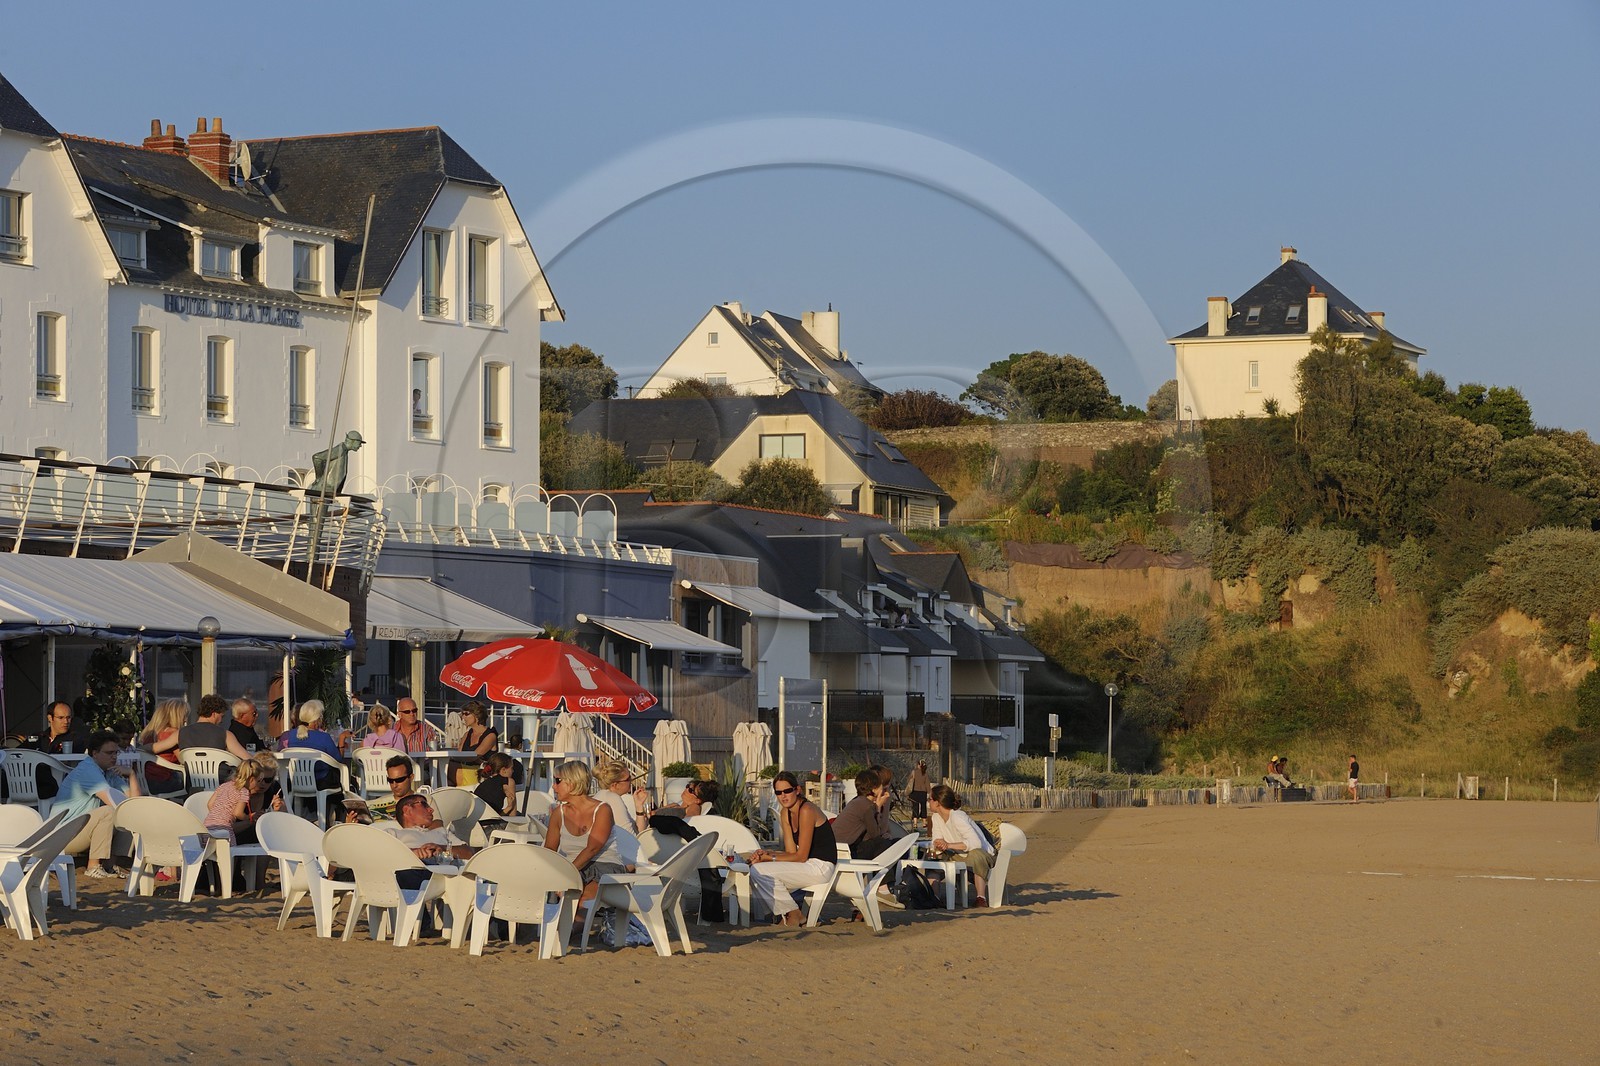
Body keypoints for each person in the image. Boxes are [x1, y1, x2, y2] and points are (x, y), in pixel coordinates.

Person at [745, 770, 837, 927]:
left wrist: (770, 858)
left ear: (797, 790)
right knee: (756, 868)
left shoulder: (807, 810)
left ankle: (793, 913)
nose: (783, 796)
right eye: (779, 792)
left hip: (821, 866)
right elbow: (791, 853)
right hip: (807, 863)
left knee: (759, 871)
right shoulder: (785, 813)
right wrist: (766, 854)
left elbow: (800, 856)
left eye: (787, 791)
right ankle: (792, 912)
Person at [52, 729, 141, 879]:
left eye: (116, 753)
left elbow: (135, 804)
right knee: (109, 811)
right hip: (64, 836)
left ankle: (111, 865)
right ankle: (93, 866)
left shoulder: (109, 771)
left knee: (129, 812)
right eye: (109, 753)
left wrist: (131, 775)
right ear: (94, 753)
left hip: (79, 830)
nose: (114, 757)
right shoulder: (88, 770)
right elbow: (112, 803)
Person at [543, 760, 626, 902]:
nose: (553, 786)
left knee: (583, 903)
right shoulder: (559, 813)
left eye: (557, 781)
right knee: (557, 899)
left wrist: (566, 874)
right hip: (573, 867)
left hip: (604, 867)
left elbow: (592, 849)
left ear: (572, 782)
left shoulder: (602, 810)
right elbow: (549, 850)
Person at [926, 784, 996, 907]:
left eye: (930, 799)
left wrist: (948, 845)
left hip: (981, 855)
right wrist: (938, 845)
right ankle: (935, 897)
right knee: (932, 857)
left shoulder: (957, 816)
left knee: (976, 854)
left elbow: (975, 843)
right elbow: (937, 838)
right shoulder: (936, 817)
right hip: (956, 854)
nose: (928, 802)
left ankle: (981, 898)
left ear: (937, 802)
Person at [204, 752, 282, 846]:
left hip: (208, 825)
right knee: (231, 853)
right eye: (260, 780)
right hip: (228, 829)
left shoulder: (225, 786)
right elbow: (238, 813)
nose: (263, 784)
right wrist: (249, 818)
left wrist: (219, 813)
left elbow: (210, 804)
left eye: (268, 780)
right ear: (252, 779)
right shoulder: (244, 792)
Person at [32, 701, 90, 800]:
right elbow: (18, 752)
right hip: (31, 784)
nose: (66, 722)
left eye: (68, 717)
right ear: (50, 718)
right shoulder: (39, 737)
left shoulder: (75, 738)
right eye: (61, 718)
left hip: (61, 785)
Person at [278, 701, 342, 789]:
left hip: (296, 781)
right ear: (317, 720)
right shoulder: (324, 737)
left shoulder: (290, 736)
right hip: (320, 781)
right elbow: (338, 760)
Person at [834, 769, 897, 859]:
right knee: (884, 844)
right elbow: (876, 834)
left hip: (842, 847)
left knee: (892, 843)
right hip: (846, 851)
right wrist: (879, 807)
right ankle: (885, 872)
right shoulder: (866, 806)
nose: (884, 790)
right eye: (881, 786)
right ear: (874, 789)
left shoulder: (860, 801)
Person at [138, 697, 189, 797]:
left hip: (144, 781)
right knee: (196, 784)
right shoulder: (174, 734)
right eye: (184, 716)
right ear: (176, 716)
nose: (186, 720)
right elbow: (184, 760)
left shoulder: (150, 733)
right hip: (163, 781)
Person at [179, 693, 251, 763]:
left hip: (192, 775)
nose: (221, 721)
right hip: (220, 774)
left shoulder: (181, 732)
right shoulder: (226, 735)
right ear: (214, 714)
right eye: (221, 716)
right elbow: (247, 758)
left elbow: (166, 745)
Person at [450, 702, 497, 785]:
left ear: (477, 715)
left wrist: (450, 757)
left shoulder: (490, 736)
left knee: (443, 767)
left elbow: (473, 756)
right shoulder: (467, 734)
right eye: (462, 714)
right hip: (465, 770)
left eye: (466, 714)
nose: (463, 717)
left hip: (480, 774)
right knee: (437, 777)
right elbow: (459, 755)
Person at [474, 752, 518, 818]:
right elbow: (513, 815)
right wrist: (509, 808)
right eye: (511, 768)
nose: (513, 771)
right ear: (503, 770)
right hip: (489, 824)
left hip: (476, 821)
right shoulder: (508, 782)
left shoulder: (485, 782)